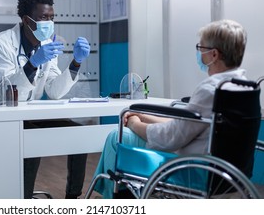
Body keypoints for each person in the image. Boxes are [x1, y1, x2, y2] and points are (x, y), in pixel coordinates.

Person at [93, 19, 249, 198]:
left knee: (116, 137)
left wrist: (135, 124)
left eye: (201, 48)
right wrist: (144, 116)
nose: (199, 53)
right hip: (226, 174)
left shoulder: (210, 90)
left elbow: (170, 138)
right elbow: (189, 125)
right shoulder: (242, 88)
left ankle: (114, 199)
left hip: (191, 170)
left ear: (214, 55)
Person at [0, 0, 91, 199]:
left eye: (51, 18)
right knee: (30, 141)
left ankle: (73, 199)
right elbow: (10, 95)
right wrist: (33, 64)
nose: (48, 23)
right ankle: (22, 202)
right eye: (42, 18)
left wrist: (75, 62)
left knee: (79, 136)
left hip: (25, 113)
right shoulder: (1, 44)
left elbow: (54, 91)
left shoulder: (47, 45)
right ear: (27, 20)